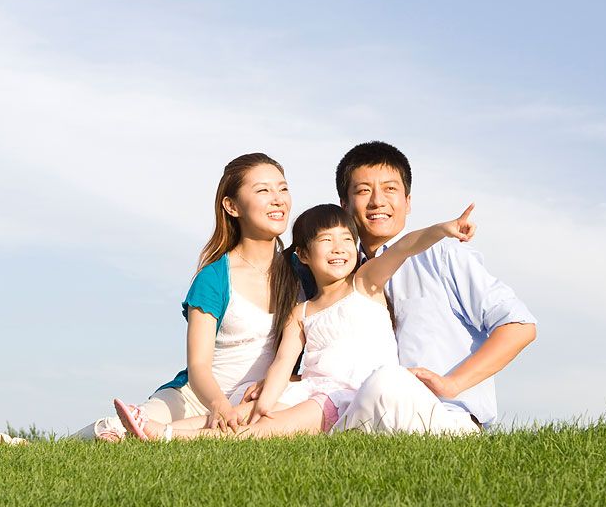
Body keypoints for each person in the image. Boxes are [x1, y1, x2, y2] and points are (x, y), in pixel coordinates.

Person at [117, 199, 477, 441]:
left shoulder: (366, 284)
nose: (339, 248)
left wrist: (443, 229)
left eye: (346, 239)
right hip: (312, 390)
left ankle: (170, 437)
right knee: (250, 412)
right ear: (303, 254)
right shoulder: (301, 311)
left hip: (346, 396)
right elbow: (281, 365)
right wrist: (263, 403)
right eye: (326, 240)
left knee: (274, 426)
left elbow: (404, 246)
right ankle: (160, 427)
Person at [71, 152, 306, 441]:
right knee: (122, 429)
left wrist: (279, 383)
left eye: (283, 188)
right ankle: (32, 446)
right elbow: (198, 366)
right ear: (232, 206)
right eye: (263, 190)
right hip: (196, 399)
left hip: (263, 397)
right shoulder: (214, 278)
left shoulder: (301, 272)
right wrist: (219, 406)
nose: (278, 199)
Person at [331, 141, 537, 435]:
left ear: (408, 201)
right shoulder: (341, 274)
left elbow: (520, 325)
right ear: (345, 204)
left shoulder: (442, 256)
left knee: (386, 381)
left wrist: (453, 383)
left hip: (443, 417)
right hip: (369, 414)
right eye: (363, 191)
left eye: (390, 189)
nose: (377, 201)